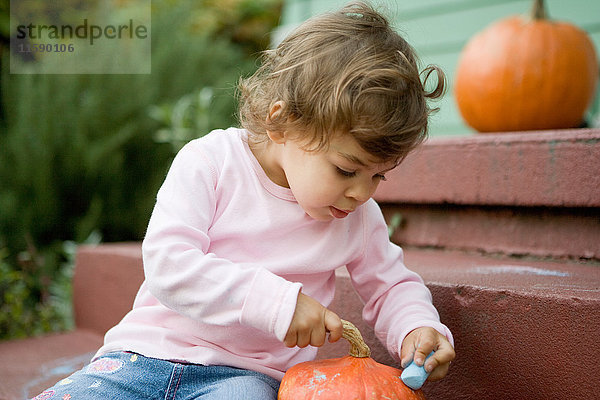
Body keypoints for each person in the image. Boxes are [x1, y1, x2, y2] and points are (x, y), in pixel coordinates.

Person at [33, 2, 454, 399]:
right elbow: (169, 264)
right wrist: (277, 304)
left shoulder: (358, 218)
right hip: (144, 357)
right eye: (346, 169)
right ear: (281, 124)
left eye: (378, 175)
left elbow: (390, 286)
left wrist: (416, 328)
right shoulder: (212, 163)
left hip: (245, 378)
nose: (361, 193)